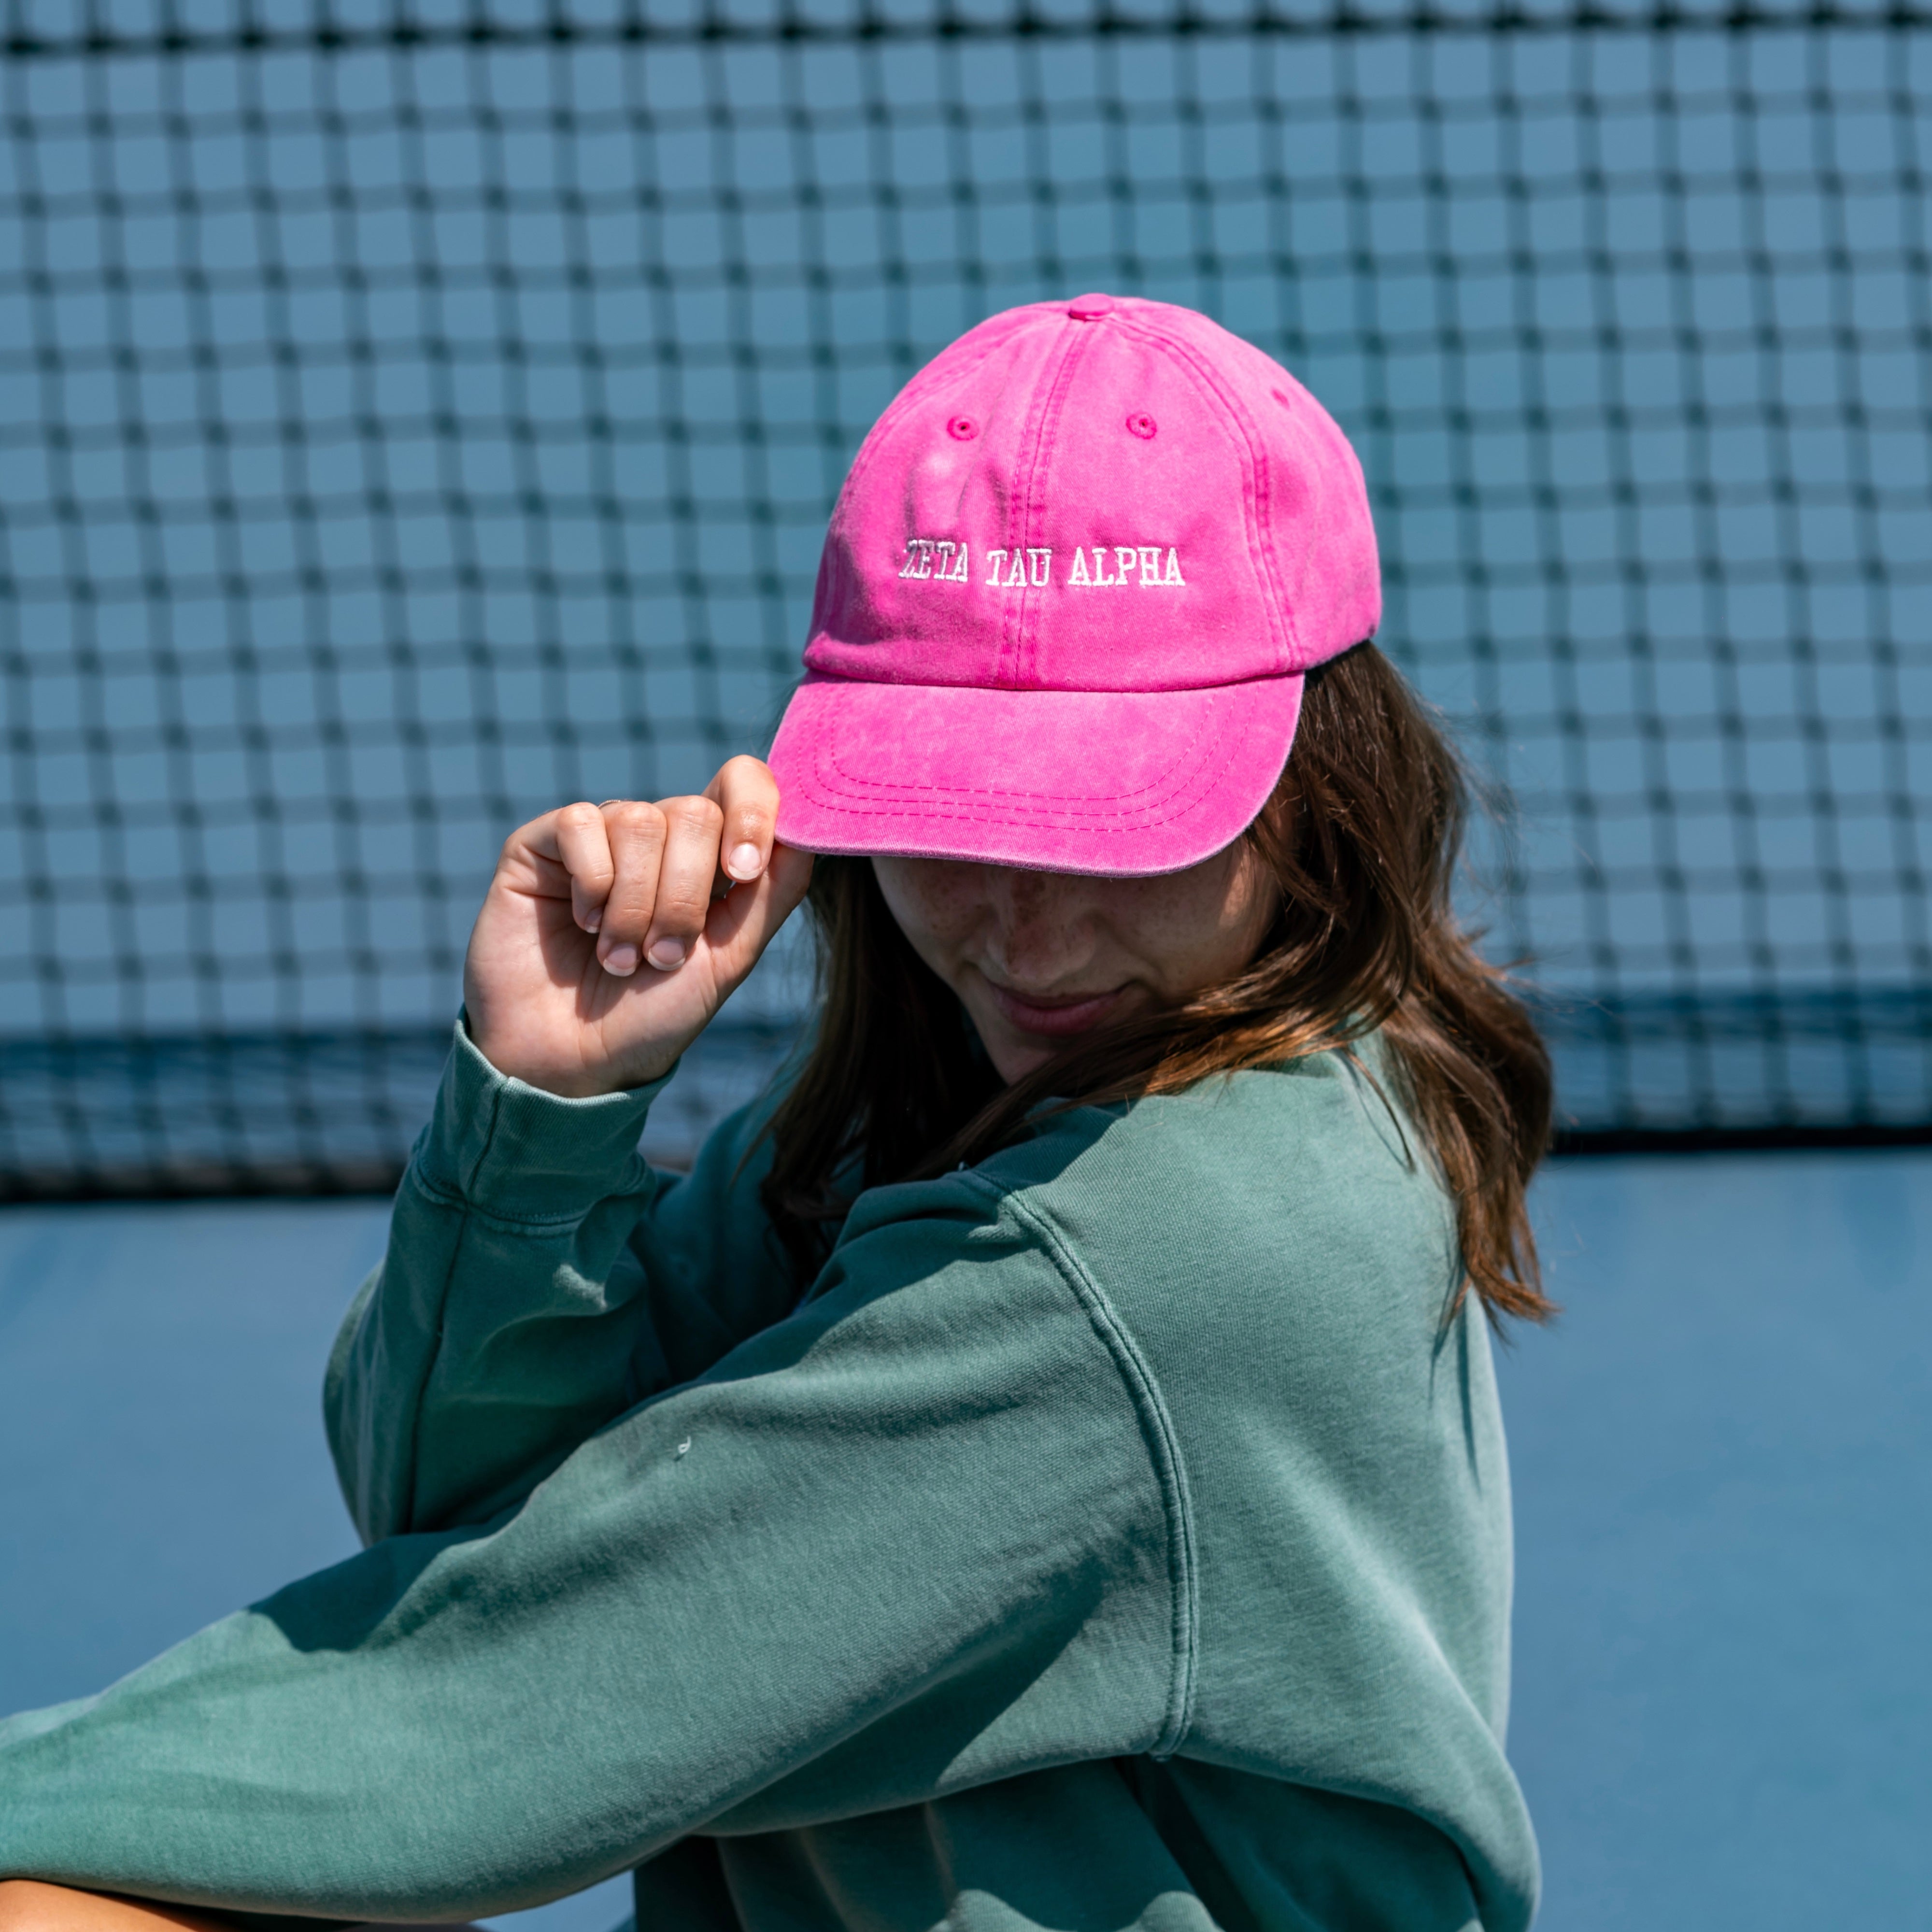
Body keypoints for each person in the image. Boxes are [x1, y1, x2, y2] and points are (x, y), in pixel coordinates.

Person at [0, 295, 1552, 1932]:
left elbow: (497, 1704)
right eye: (954, 824)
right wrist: (547, 1102)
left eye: (1113, 831)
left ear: (1319, 772)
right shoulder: (937, 1130)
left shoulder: (1158, 1252)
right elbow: (450, 1526)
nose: (1026, 935)